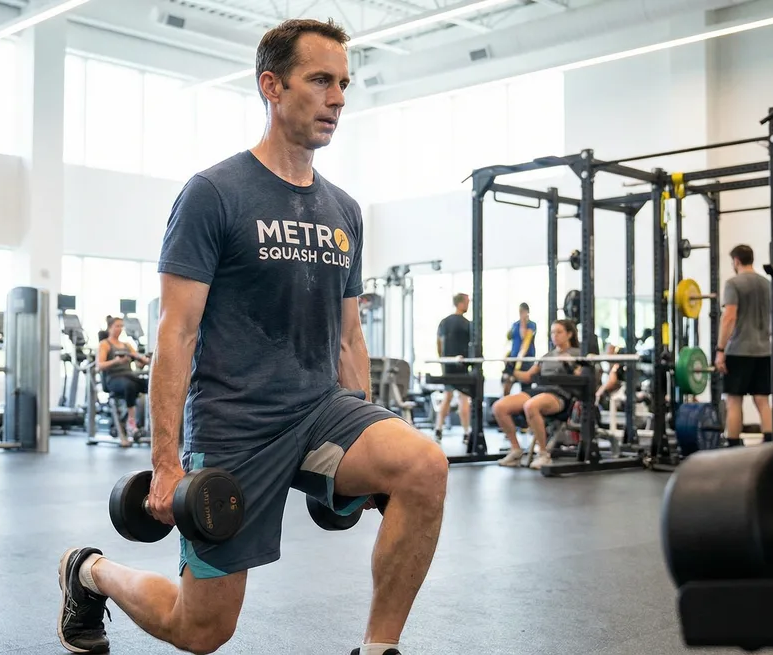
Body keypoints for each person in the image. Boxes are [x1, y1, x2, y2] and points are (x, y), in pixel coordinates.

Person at [56, 19, 447, 655]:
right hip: (235, 424)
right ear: (271, 85)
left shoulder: (344, 210)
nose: (338, 98)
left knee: (422, 465)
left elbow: (348, 337)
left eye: (344, 83)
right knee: (201, 630)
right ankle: (90, 572)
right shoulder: (214, 194)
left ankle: (380, 648)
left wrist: (372, 428)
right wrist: (165, 462)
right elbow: (176, 333)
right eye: (320, 80)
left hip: (321, 413)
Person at [492, 319, 582, 470]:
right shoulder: (547, 356)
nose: (555, 336)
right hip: (540, 390)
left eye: (559, 332)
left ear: (570, 334)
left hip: (560, 393)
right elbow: (528, 376)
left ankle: (543, 454)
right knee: (499, 407)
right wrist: (510, 369)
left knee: (531, 406)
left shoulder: (578, 354)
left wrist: (571, 365)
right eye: (552, 332)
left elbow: (582, 376)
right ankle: (516, 450)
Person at [715, 244, 772, 446]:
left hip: (739, 351)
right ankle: (770, 443)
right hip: (764, 350)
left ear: (736, 261)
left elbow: (729, 317)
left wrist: (720, 350)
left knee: (734, 401)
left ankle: (732, 445)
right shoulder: (767, 284)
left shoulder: (734, 284)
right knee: (762, 400)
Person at [97, 316, 150, 446]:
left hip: (129, 375)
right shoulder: (105, 344)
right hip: (113, 379)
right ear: (110, 328)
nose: (120, 329)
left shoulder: (127, 345)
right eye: (117, 326)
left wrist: (143, 360)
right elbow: (100, 365)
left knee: (151, 384)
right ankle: (131, 423)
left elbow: (140, 362)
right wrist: (117, 361)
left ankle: (157, 423)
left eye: (121, 326)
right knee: (129, 386)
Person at [434, 293, 471, 441]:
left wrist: (443, 360)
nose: (468, 305)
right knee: (463, 398)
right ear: (460, 303)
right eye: (467, 302)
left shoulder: (444, 322)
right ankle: (467, 432)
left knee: (447, 397)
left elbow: (439, 343)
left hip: (448, 365)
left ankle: (438, 429)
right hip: (460, 366)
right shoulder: (468, 324)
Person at [502, 303, 538, 395]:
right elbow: (509, 337)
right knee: (507, 379)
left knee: (525, 384)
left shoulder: (531, 325)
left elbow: (524, 338)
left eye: (523, 311)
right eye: (520, 312)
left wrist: (523, 323)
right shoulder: (515, 324)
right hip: (513, 357)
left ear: (527, 312)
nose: (521, 313)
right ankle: (506, 401)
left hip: (526, 358)